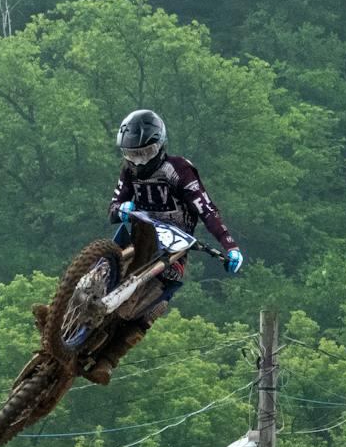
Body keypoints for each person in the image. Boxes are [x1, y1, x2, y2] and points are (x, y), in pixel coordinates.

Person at [82, 109, 244, 384]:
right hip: (139, 228)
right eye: (133, 154)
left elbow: (207, 210)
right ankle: (70, 300)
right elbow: (112, 209)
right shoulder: (129, 171)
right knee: (103, 256)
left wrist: (230, 246)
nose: (139, 159)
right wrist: (122, 209)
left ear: (160, 145)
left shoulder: (178, 169)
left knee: (157, 305)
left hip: (175, 241)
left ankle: (109, 360)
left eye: (146, 152)